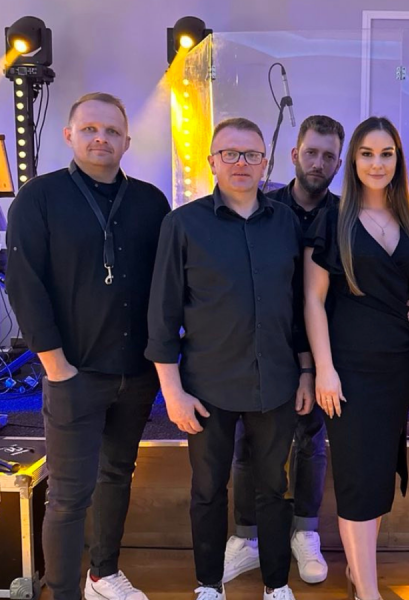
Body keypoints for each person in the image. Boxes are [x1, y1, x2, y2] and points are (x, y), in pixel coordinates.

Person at [6, 92, 170, 600]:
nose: (102, 138)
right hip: (72, 372)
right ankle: (63, 593)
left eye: (112, 131)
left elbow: (165, 285)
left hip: (136, 373)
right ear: (69, 135)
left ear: (127, 141)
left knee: (118, 475)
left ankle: (103, 575)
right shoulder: (39, 197)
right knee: (68, 495)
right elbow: (24, 284)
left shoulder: (151, 202)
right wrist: (55, 366)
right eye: (90, 129)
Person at [145, 117, 312, 600]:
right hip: (206, 386)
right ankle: (208, 584)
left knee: (273, 488)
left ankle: (276, 585)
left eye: (252, 154)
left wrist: (305, 372)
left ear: (266, 163)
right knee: (207, 490)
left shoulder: (286, 223)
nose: (241, 163)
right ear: (212, 162)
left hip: (275, 381)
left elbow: (298, 308)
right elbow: (162, 315)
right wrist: (172, 392)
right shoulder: (182, 224)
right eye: (230, 154)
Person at [303, 116, 409, 600]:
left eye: (386, 153)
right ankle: (368, 591)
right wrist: (324, 370)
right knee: (356, 476)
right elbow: (313, 301)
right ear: (352, 160)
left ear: (398, 159)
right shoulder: (332, 219)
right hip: (347, 369)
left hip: (396, 368)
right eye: (367, 153)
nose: (377, 163)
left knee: (376, 475)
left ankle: (359, 573)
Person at [226, 115, 344, 585]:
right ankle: (246, 536)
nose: (319, 163)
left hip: (323, 348)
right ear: (294, 155)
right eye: (311, 152)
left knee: (312, 439)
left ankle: (305, 530)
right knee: (248, 442)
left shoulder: (345, 215)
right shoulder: (261, 208)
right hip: (262, 346)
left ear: (339, 163)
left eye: (329, 156)